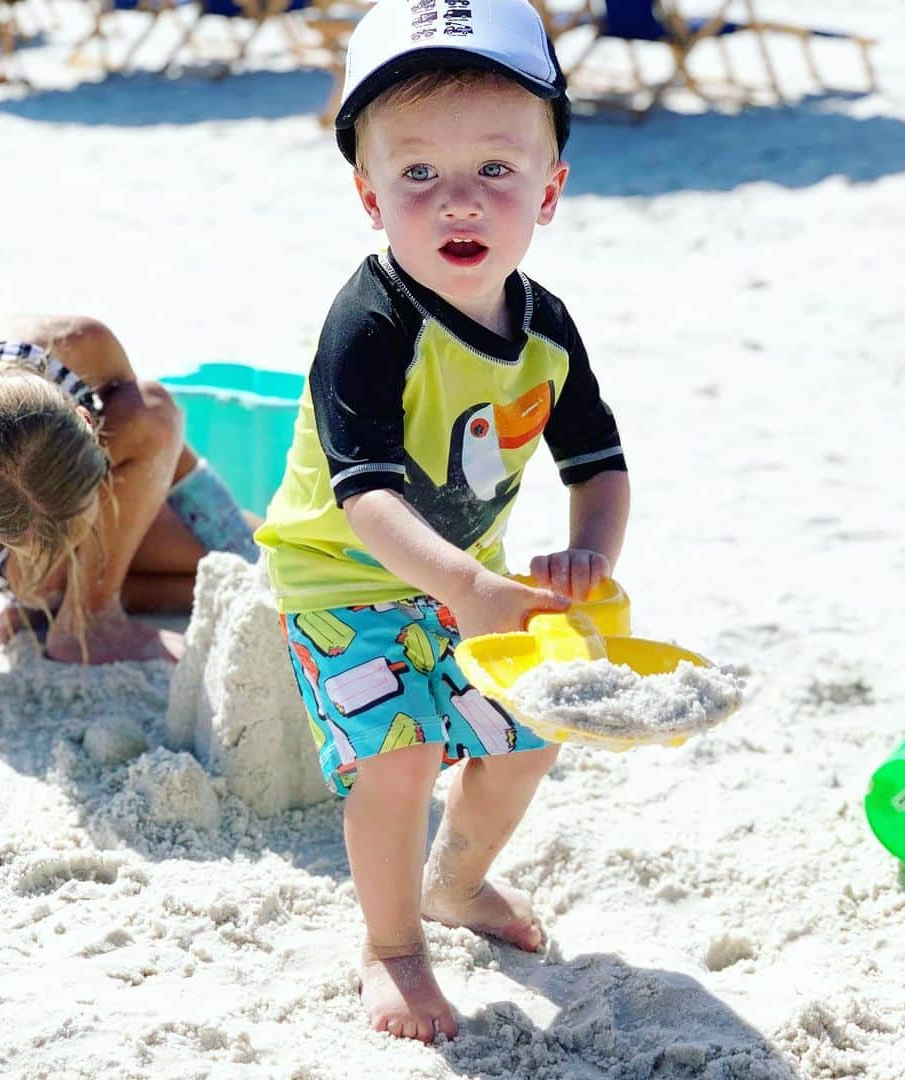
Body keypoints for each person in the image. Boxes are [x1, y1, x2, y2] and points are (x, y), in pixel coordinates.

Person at [255, 0, 630, 1043]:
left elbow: (599, 464)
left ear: (549, 192)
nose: (457, 199)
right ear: (370, 196)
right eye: (418, 173)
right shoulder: (369, 323)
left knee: (530, 730)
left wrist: (592, 550)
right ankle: (392, 948)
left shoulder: (544, 327)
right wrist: (463, 585)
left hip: (470, 573)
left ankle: (456, 884)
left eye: (496, 172)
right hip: (346, 577)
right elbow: (364, 494)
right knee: (405, 751)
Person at [0, 315, 259, 665]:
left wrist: (226, 530)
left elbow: (156, 435)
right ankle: (83, 618)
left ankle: (63, 605)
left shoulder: (79, 344)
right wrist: (28, 578)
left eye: (75, 528)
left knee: (250, 555)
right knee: (239, 570)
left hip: (46, 536)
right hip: (22, 565)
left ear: (86, 422)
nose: (68, 544)